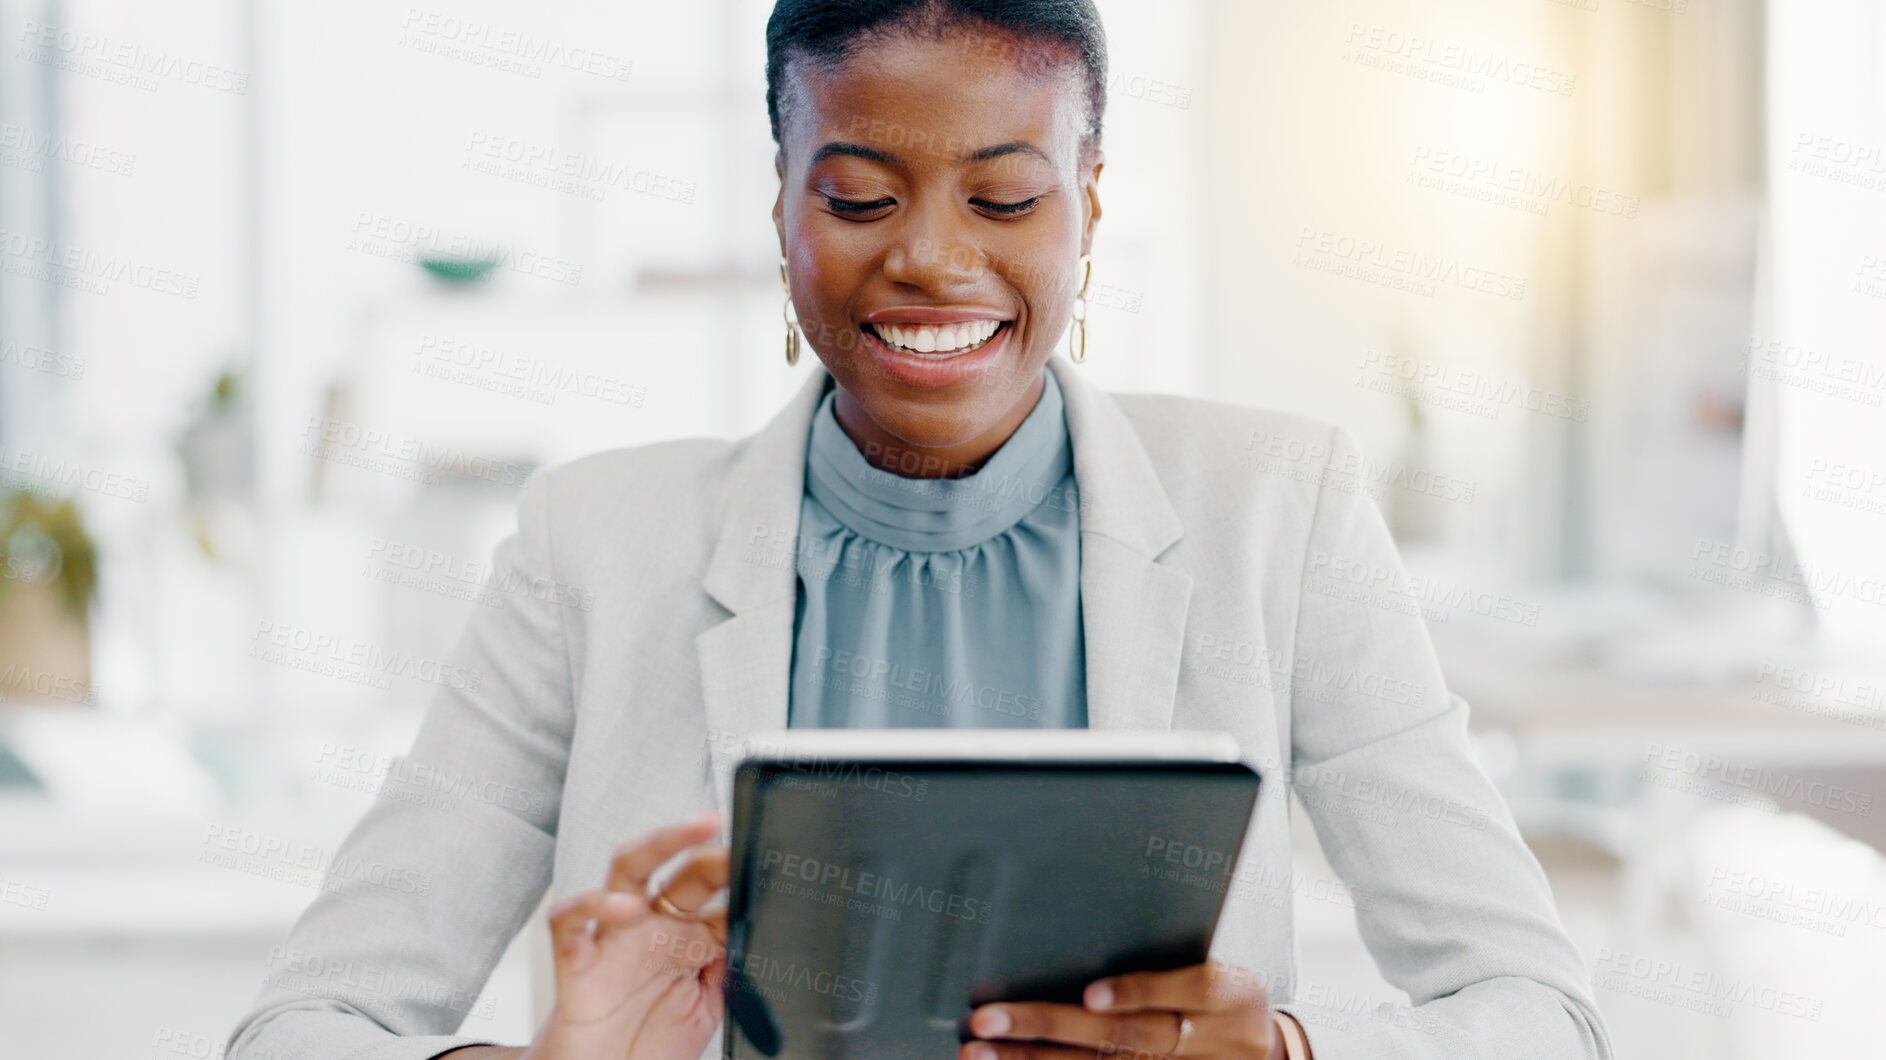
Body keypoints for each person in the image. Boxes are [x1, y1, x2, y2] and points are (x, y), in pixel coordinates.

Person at [225, 2, 1614, 1059]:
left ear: (1089, 206)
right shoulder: (591, 543)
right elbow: (306, 1021)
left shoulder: (1275, 505)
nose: (932, 260)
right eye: (858, 197)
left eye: (1004, 197)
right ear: (779, 206)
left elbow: (1539, 1012)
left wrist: (1291, 1054)